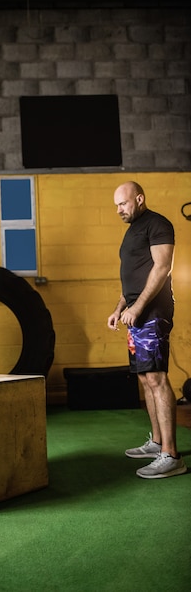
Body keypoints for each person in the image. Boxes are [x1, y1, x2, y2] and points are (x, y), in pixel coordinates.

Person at [107, 181, 187, 479]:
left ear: (139, 199)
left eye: (123, 203)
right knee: (144, 377)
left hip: (152, 313)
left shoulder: (157, 224)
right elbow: (133, 278)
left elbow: (162, 267)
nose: (119, 209)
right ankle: (157, 442)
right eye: (116, 205)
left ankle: (171, 455)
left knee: (156, 377)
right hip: (135, 315)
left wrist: (138, 308)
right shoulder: (132, 232)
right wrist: (119, 309)